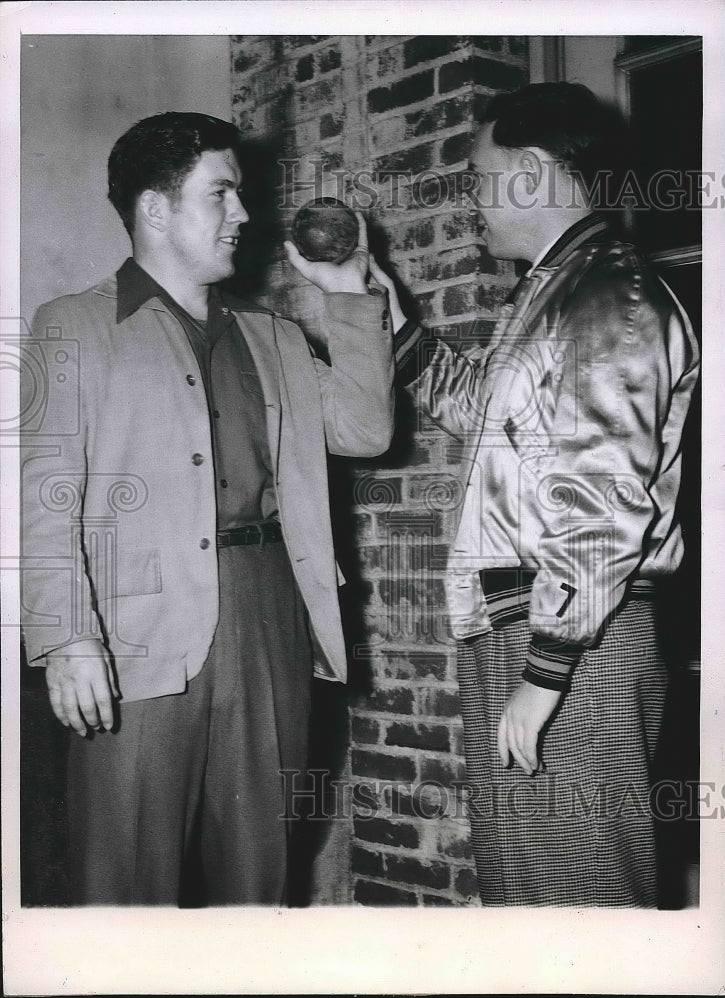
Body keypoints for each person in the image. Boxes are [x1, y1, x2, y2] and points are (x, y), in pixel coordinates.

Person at [324, 82, 698, 907]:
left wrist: (546, 672)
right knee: (532, 897)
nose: (471, 198)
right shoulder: (558, 289)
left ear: (532, 172)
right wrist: (393, 324)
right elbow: (481, 413)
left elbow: (603, 506)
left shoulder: (607, 298)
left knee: (582, 900)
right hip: (536, 629)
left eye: (478, 175)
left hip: (574, 644)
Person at [20, 112, 394, 905]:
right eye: (220, 194)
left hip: (269, 619)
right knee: (122, 884)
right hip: (133, 635)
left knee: (257, 881)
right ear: (156, 209)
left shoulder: (274, 338)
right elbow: (43, 498)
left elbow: (364, 431)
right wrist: (65, 638)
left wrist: (349, 297)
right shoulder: (73, 326)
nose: (244, 215)